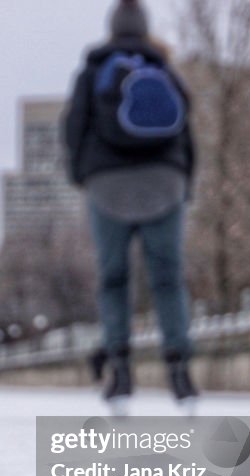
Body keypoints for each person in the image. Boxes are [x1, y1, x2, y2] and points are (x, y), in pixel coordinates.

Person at [63, 0, 199, 408]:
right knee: (167, 279)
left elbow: (74, 128)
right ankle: (180, 371)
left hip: (108, 187)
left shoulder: (91, 72)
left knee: (114, 279)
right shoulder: (165, 69)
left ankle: (120, 372)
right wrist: (184, 184)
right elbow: (186, 137)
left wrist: (82, 176)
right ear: (144, 27)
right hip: (164, 184)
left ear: (111, 28)